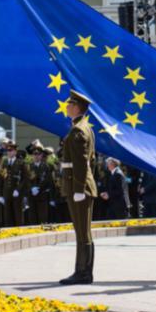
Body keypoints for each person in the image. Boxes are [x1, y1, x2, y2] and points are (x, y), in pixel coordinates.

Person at [58, 90, 98, 285]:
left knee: (82, 232)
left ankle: (83, 272)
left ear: (76, 107)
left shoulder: (78, 131)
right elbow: (91, 161)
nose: (66, 107)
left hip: (78, 187)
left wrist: (80, 189)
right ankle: (83, 271)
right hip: (79, 185)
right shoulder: (84, 128)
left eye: (69, 104)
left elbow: (82, 163)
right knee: (83, 231)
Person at [26, 144, 53, 224]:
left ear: (41, 155)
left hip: (42, 195)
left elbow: (48, 180)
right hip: (32, 196)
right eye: (34, 154)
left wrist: (39, 188)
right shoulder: (29, 167)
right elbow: (26, 180)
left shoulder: (46, 166)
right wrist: (32, 188)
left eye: (38, 154)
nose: (36, 156)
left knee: (43, 218)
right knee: (32, 218)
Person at [1, 141, 25, 227]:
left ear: (15, 151)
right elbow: (2, 178)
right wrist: (1, 194)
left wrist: (18, 190)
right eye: (8, 150)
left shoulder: (20, 163)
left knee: (17, 214)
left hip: (16, 192)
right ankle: (9, 231)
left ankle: (19, 230)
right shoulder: (5, 162)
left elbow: (24, 178)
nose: (9, 152)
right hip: (7, 192)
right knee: (8, 215)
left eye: (10, 150)